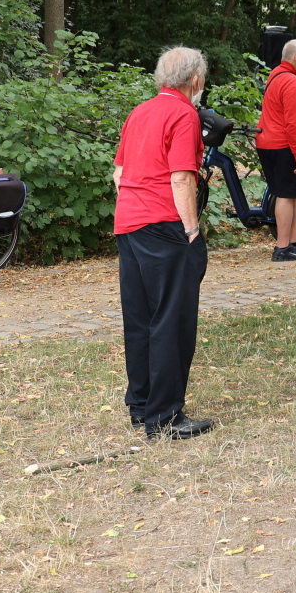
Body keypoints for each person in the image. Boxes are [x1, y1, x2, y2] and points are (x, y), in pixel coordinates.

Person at [112, 46, 214, 439]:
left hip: (129, 224)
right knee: (172, 319)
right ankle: (166, 417)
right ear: (196, 81)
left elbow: (119, 173)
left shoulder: (140, 112)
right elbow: (181, 177)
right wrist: (191, 230)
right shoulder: (183, 113)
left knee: (139, 319)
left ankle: (141, 406)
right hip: (163, 224)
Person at [256, 39, 296, 261]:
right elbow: (294, 123)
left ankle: (295, 241)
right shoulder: (291, 83)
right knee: (285, 195)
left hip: (274, 142)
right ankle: (282, 247)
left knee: (293, 195)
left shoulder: (277, 75)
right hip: (285, 146)